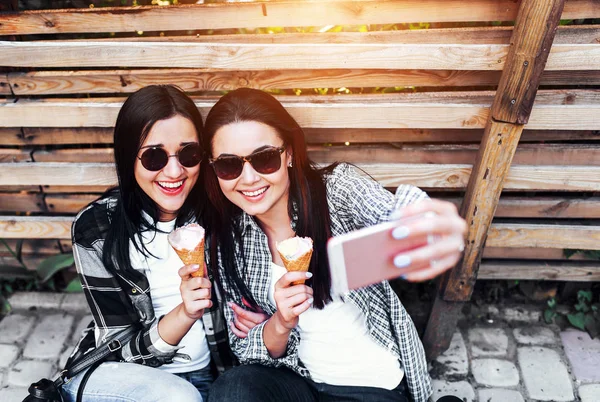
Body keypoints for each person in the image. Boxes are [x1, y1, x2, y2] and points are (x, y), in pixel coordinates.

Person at [202, 88, 468, 402]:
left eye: (264, 159)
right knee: (232, 390)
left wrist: (422, 223)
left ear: (288, 154)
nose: (248, 179)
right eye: (229, 165)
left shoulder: (336, 191)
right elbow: (247, 349)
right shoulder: (230, 239)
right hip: (297, 381)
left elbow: (387, 211)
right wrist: (280, 323)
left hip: (368, 385)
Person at [62, 85, 265, 402]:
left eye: (189, 154)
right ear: (129, 156)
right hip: (117, 375)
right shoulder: (95, 229)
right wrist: (185, 313)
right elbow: (122, 349)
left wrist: (261, 319)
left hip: (208, 374)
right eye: (154, 156)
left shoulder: (221, 212)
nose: (175, 171)